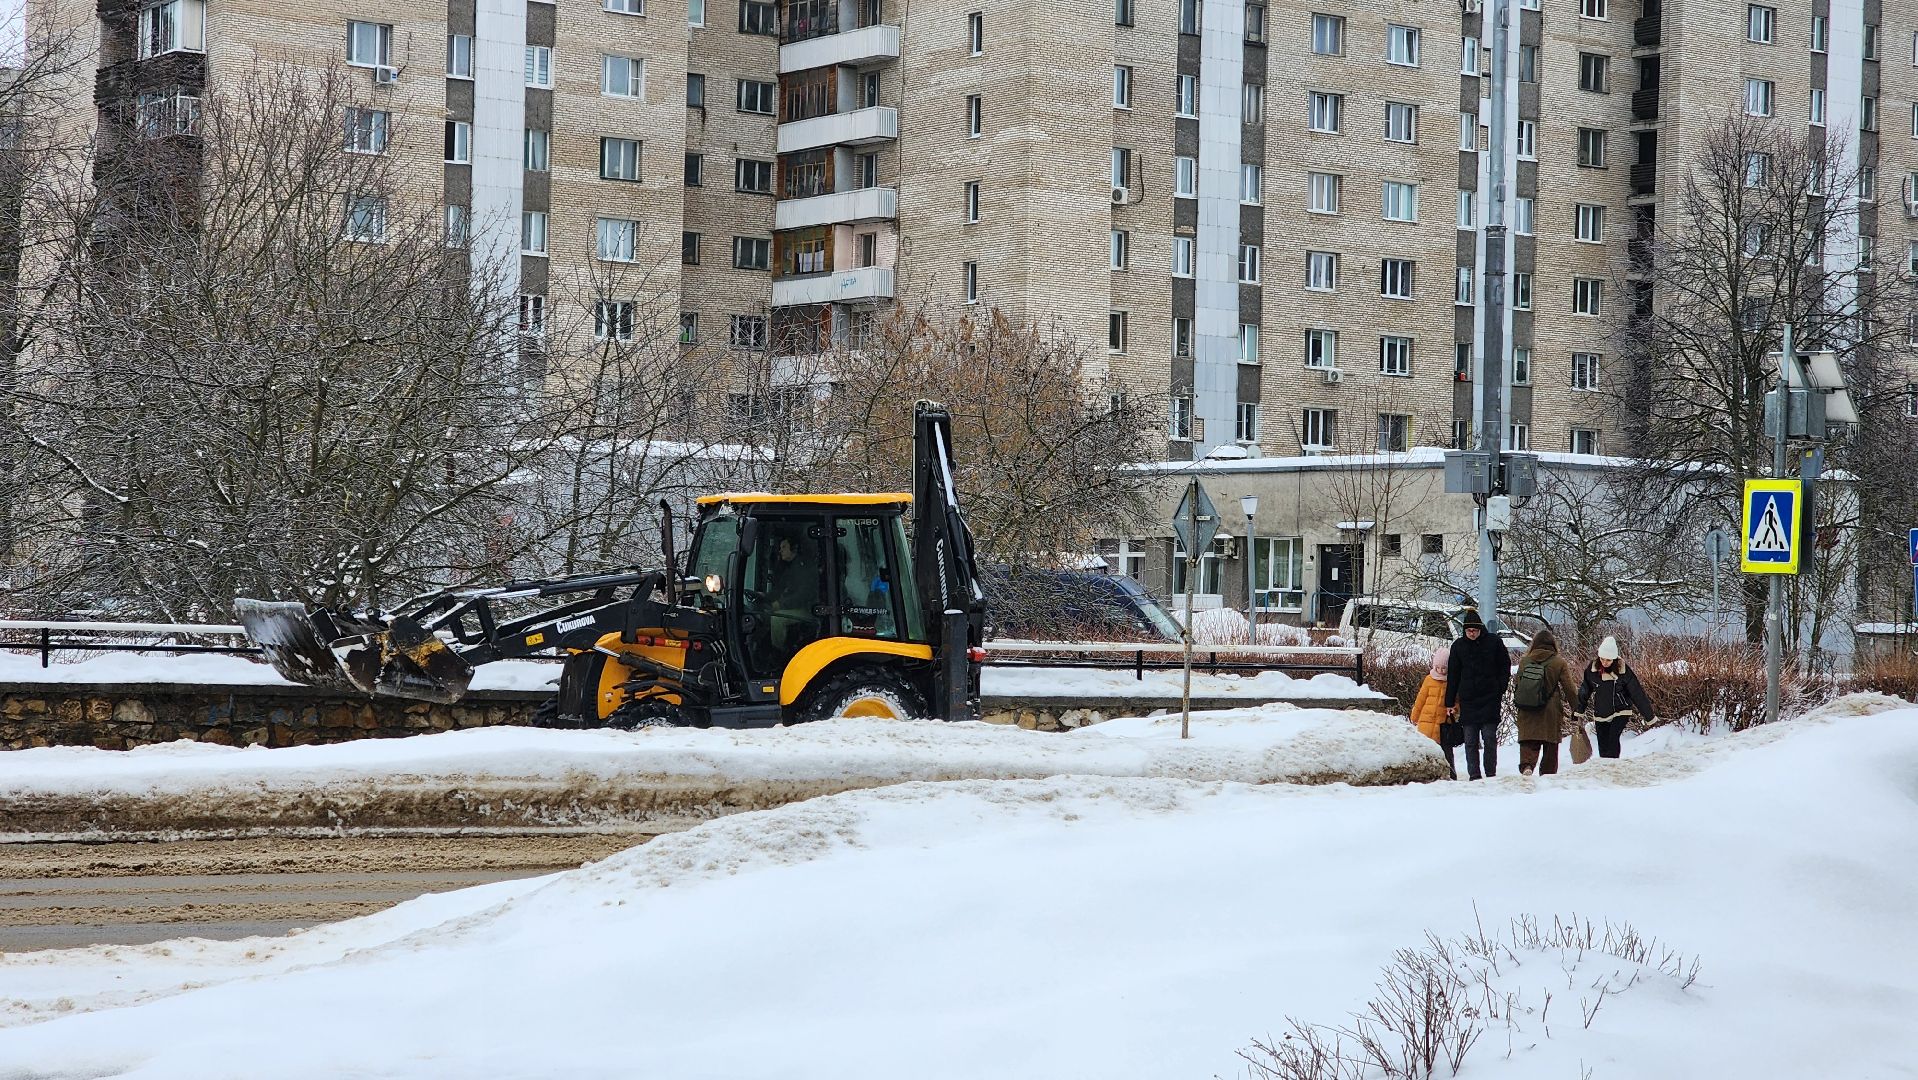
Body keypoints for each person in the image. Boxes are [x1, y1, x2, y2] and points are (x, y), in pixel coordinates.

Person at [1444, 610, 1510, 780]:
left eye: (1475, 630)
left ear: (1480, 629)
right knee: (1470, 740)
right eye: (1468, 631)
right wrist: (1449, 701)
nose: (1472, 634)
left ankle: (1490, 773)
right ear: (1465, 630)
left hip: (1490, 698)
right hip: (1468, 699)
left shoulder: (1494, 643)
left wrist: (1499, 688)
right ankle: (1474, 774)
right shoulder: (1459, 646)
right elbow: (1453, 675)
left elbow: (1505, 666)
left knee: (1489, 738)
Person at [1512, 628, 1580, 776]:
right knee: (1550, 745)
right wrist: (1576, 709)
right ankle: (1548, 775)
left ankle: (1527, 766)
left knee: (1528, 741)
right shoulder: (1558, 662)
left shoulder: (1525, 661)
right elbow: (1569, 688)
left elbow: (1518, 684)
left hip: (1527, 708)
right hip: (1550, 710)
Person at [1576, 635, 1655, 759]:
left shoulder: (1623, 670)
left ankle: (1613, 766)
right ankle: (1605, 768)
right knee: (1603, 744)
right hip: (1601, 711)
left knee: (1613, 739)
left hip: (1621, 710)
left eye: (1608, 660)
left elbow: (1636, 692)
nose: (1604, 662)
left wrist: (1649, 716)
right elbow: (1585, 691)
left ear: (1614, 659)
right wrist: (1578, 711)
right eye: (1602, 659)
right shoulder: (1592, 670)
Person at [1408, 645, 1456, 779]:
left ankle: (1451, 774)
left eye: (1444, 668)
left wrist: (1454, 709)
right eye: (1438, 668)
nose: (1440, 671)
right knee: (1426, 750)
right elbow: (1420, 699)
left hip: (1443, 723)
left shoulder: (1451, 681)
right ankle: (1424, 775)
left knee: (1446, 751)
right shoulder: (1429, 680)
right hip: (1426, 722)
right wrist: (1415, 715)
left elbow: (1457, 700)